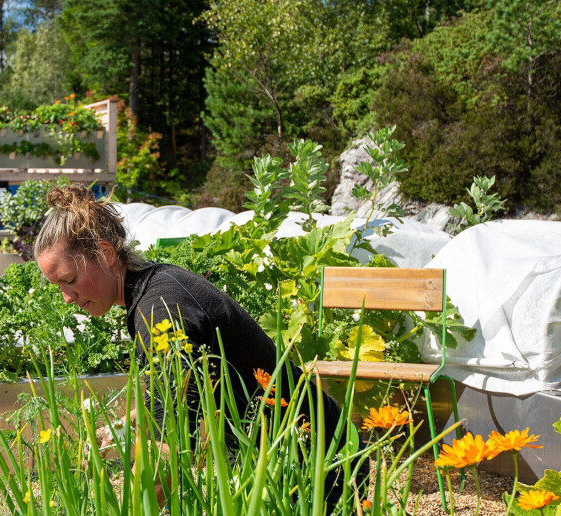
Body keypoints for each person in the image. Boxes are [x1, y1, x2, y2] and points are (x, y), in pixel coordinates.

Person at [34, 184, 349, 507]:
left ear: (106, 254)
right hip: (297, 457)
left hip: (323, 470)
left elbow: (167, 450)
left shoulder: (160, 311)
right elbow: (175, 395)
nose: (67, 298)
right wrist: (120, 426)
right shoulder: (156, 286)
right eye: (58, 286)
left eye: (69, 280)